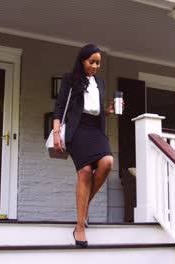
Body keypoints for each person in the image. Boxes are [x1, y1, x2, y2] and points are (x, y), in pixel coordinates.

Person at [52, 44, 123, 248]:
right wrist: (57, 132)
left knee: (107, 162)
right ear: (82, 60)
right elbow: (59, 106)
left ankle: (84, 208)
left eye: (98, 63)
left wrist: (107, 111)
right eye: (91, 61)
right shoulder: (71, 79)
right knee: (84, 172)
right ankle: (79, 226)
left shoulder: (99, 82)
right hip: (77, 128)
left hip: (95, 129)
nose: (95, 66)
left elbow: (95, 110)